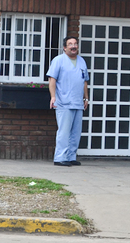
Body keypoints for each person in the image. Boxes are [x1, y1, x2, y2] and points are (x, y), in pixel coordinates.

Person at [47, 36, 89, 167]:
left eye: (75, 44)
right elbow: (52, 80)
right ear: (65, 47)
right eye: (70, 44)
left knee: (75, 132)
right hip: (64, 102)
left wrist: (86, 98)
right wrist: (53, 96)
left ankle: (71, 156)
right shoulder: (58, 60)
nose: (73, 46)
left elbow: (84, 81)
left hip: (78, 102)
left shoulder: (82, 61)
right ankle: (60, 157)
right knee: (64, 131)